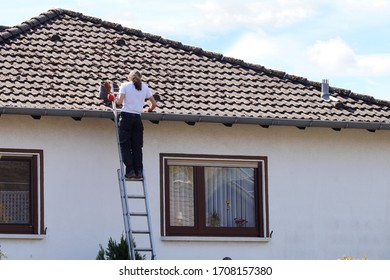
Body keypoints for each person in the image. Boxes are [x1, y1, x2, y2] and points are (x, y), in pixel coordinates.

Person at [115, 70, 157, 179]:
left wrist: (112, 97)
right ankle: (139, 171)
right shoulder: (145, 87)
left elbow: (119, 102)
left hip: (126, 118)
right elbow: (154, 103)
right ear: (140, 77)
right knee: (137, 147)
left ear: (129, 77)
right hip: (137, 119)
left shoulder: (125, 86)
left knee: (125, 145)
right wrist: (149, 109)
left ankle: (130, 171)